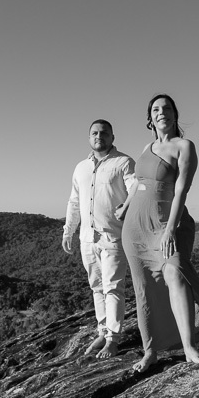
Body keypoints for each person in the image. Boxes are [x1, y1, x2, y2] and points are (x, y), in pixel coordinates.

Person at [116, 94, 199, 371]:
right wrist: (125, 205)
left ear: (175, 114)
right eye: (156, 109)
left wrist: (169, 229)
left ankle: (190, 348)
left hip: (169, 223)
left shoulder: (184, 146)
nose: (161, 113)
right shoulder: (147, 146)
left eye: (166, 108)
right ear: (150, 118)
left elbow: (182, 189)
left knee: (174, 273)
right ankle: (150, 351)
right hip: (135, 227)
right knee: (144, 288)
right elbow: (138, 183)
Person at [63, 119, 136, 359]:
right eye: (94, 133)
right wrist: (68, 231)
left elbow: (136, 187)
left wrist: (125, 206)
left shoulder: (123, 162)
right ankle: (103, 331)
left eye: (104, 133)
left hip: (113, 236)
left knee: (113, 287)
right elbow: (74, 201)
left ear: (112, 137)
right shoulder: (80, 167)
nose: (98, 136)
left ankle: (113, 340)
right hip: (87, 238)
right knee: (97, 287)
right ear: (88, 138)